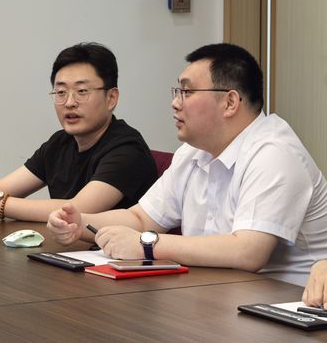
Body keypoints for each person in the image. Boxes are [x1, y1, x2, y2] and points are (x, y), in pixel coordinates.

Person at [48, 43, 327, 286]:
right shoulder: (193, 152)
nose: (175, 103)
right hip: (214, 293)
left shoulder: (274, 154)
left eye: (186, 92)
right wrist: (81, 223)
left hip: (285, 305)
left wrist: (147, 245)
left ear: (230, 102)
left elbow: (248, 252)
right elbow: (141, 219)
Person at [0, 42, 157, 222]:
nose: (69, 102)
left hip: (113, 260)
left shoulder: (128, 149)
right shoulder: (61, 142)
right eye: (61, 92)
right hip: (65, 252)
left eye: (82, 91)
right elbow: (0, 188)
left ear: (111, 98)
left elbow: (78, 209)